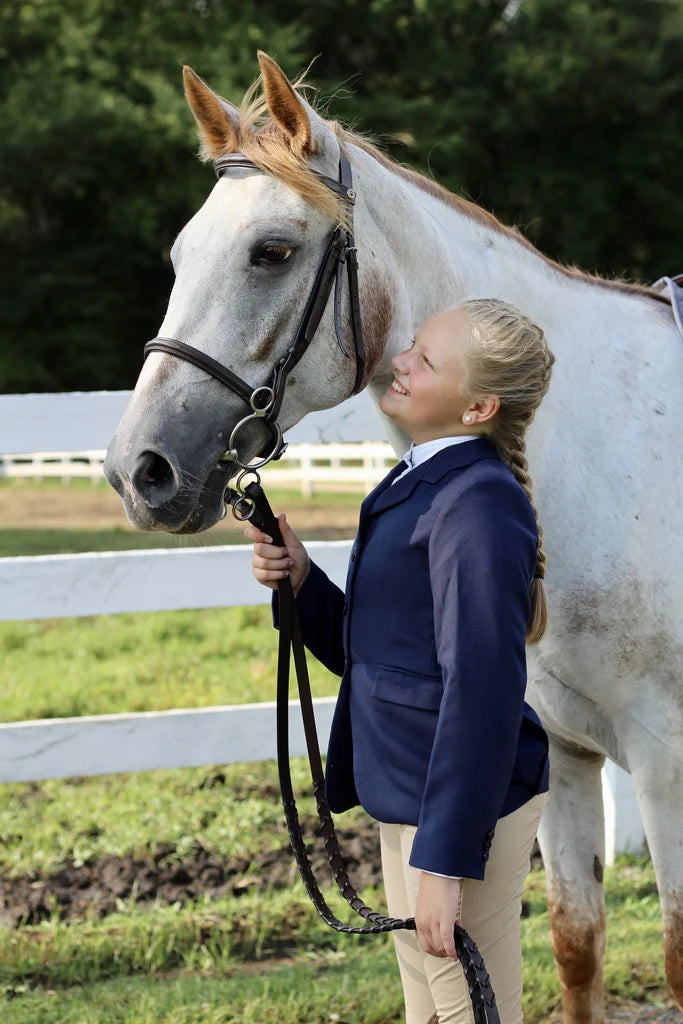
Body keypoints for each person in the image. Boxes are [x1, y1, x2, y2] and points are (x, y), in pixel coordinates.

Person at [246, 298, 555, 1024]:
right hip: (412, 793)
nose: (401, 361)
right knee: (433, 1012)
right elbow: (382, 655)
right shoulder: (419, 483)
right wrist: (302, 582)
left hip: (454, 810)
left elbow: (480, 694)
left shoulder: (475, 504)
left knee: (470, 1013)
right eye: (412, 346)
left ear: (478, 405)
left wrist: (444, 864)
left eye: (426, 359)